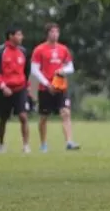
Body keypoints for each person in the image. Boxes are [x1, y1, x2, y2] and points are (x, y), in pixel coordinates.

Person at [30, 23, 80, 151]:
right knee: (44, 117)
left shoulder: (63, 49)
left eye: (57, 32)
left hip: (61, 87)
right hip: (45, 89)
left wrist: (64, 70)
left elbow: (71, 67)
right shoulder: (39, 50)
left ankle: (69, 142)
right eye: (52, 32)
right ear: (47, 34)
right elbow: (34, 70)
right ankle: (43, 144)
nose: (55, 34)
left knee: (66, 112)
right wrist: (47, 84)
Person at [0, 26, 31, 153]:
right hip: (5, 89)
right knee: (3, 118)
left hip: (20, 89)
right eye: (19, 35)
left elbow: (26, 72)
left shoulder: (23, 51)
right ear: (11, 36)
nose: (21, 37)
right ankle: (1, 144)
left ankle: (25, 145)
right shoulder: (0, 51)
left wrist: (28, 86)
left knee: (23, 116)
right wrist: (3, 87)